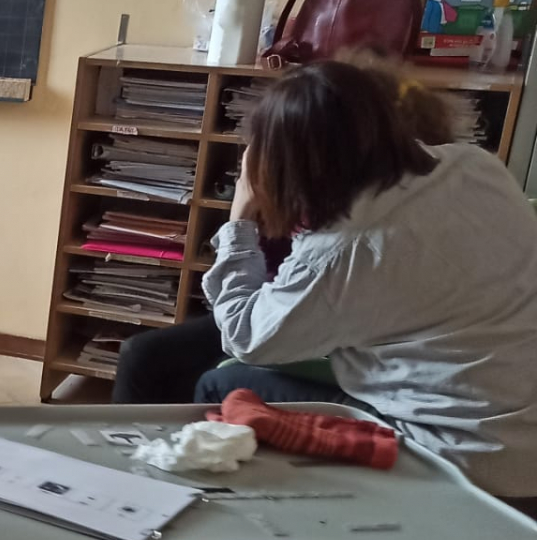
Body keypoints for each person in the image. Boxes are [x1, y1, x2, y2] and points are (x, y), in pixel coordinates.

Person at [196, 60, 537, 511]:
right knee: (158, 354)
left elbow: (244, 338)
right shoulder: (473, 166)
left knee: (221, 383)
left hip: (464, 456)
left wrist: (240, 218)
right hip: (521, 431)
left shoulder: (346, 248)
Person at [111, 56, 457, 405]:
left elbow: (253, 335)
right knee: (142, 354)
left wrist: (240, 216)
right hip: (280, 305)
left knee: (218, 379)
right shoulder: (345, 190)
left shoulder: (354, 235)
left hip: (328, 334)